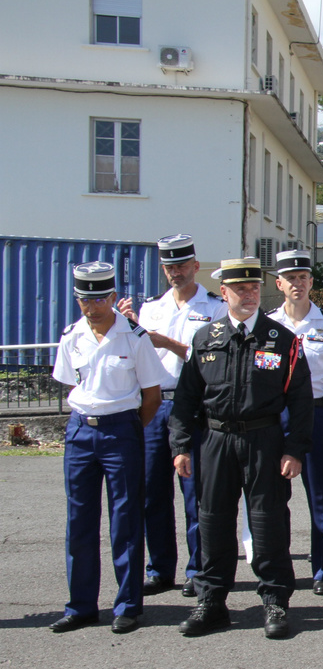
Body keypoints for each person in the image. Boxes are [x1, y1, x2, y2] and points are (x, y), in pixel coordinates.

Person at [169, 256, 313, 640]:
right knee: (212, 519)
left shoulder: (281, 339)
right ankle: (211, 601)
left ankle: (275, 601)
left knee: (268, 522)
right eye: (240, 289)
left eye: (253, 288)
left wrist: (294, 448)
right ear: (224, 293)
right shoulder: (206, 339)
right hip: (215, 440)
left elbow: (301, 400)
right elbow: (186, 400)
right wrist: (181, 445)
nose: (249, 295)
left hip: (264, 440)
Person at [51, 262, 165, 634]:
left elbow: (151, 396)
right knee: (79, 521)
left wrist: (130, 430)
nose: (92, 306)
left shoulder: (134, 337)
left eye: (100, 298)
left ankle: (128, 605)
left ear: (113, 298)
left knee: (125, 519)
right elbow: (71, 383)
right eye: (85, 298)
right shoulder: (71, 336)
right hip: (81, 431)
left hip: (121, 432)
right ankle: (81, 605)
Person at [118, 235, 226, 599]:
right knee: (152, 492)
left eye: (182, 266)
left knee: (196, 493)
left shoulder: (214, 307)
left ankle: (198, 569)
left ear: (196, 266)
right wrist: (128, 327)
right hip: (156, 402)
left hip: (194, 406)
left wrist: (166, 343)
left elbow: (214, 361)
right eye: (170, 267)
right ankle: (160, 567)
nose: (176, 273)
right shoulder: (151, 308)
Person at [267, 250, 323, 596]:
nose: (297, 284)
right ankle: (277, 567)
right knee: (271, 497)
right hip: (274, 415)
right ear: (279, 284)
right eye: (290, 279)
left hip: (315, 412)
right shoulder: (267, 325)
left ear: (312, 283)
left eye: (303, 278)